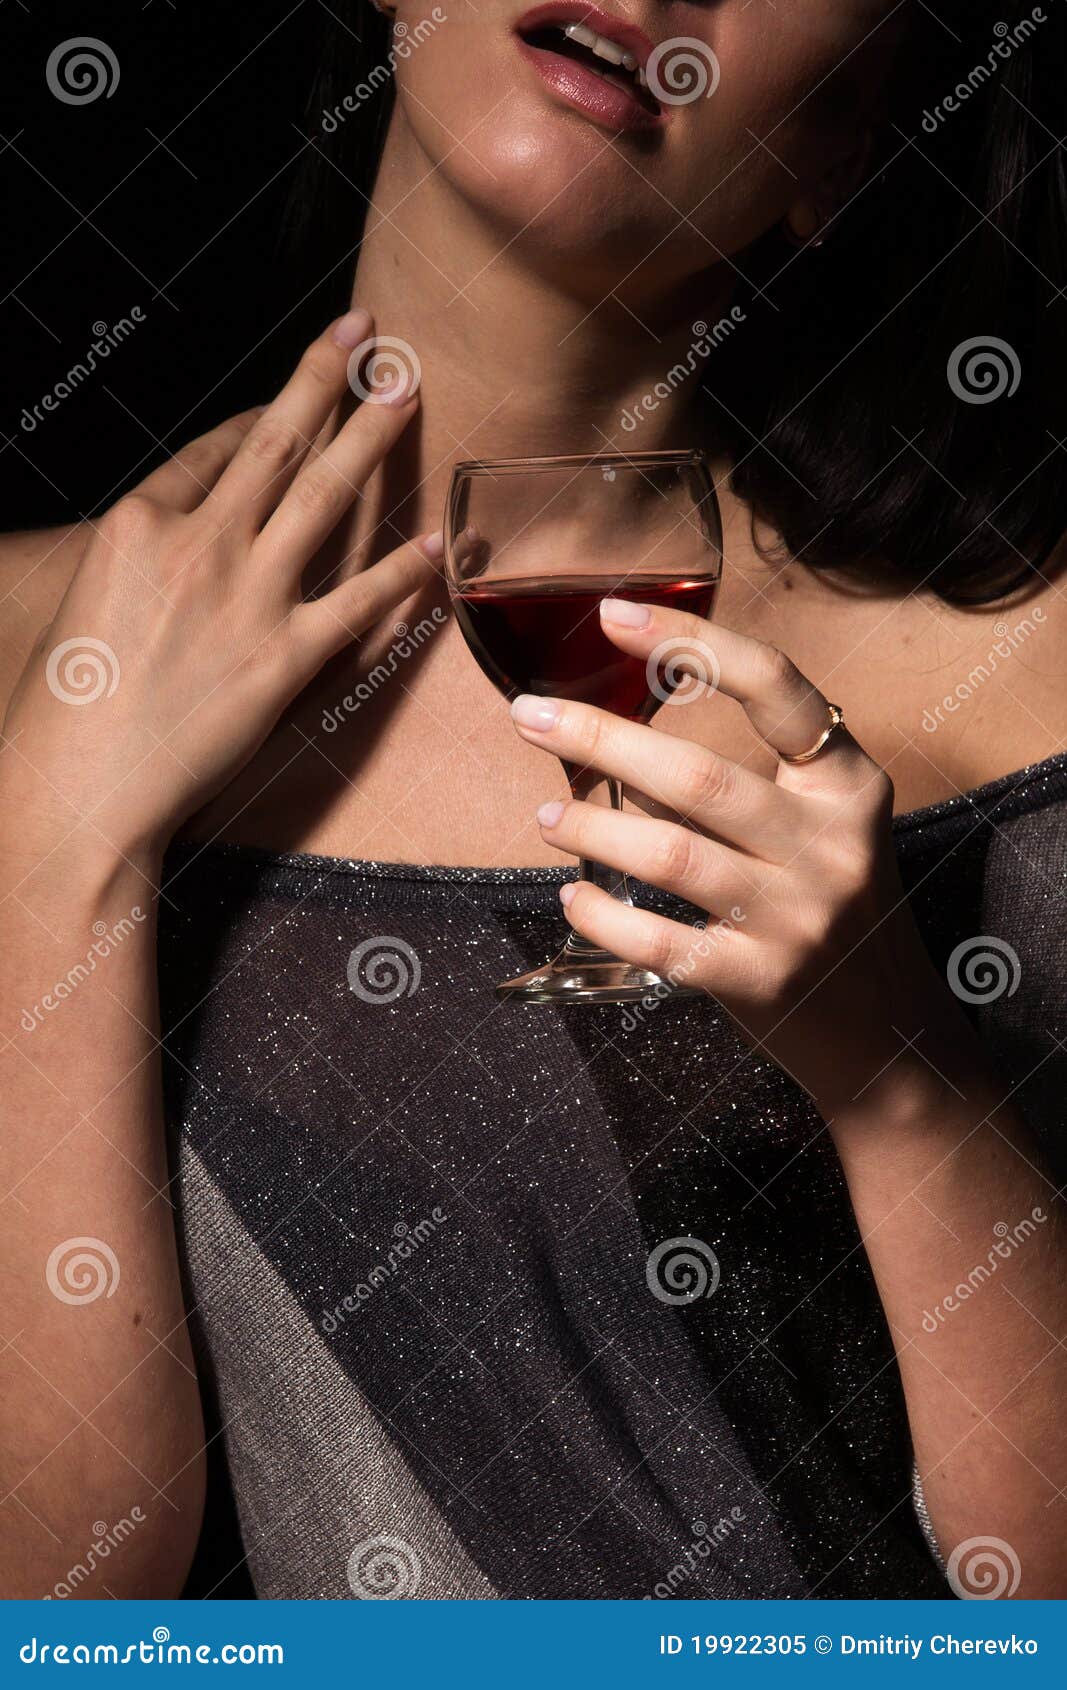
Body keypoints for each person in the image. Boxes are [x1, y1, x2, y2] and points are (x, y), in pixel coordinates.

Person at [1, 0, 1065, 1600]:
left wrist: (902, 1074)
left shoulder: (1029, 681)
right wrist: (55, 850)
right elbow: (60, 1595)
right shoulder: (17, 658)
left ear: (845, 137)